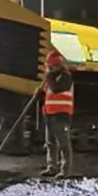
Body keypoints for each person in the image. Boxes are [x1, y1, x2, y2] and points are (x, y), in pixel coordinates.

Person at [41, 50, 74, 178]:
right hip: (50, 114)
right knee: (50, 143)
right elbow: (48, 95)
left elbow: (55, 89)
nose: (49, 68)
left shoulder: (65, 77)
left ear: (57, 65)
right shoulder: (52, 78)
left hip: (62, 115)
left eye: (50, 66)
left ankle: (64, 171)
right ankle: (52, 167)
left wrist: (48, 77)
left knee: (63, 144)